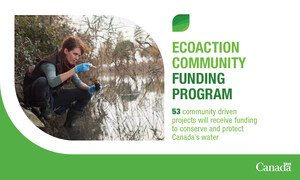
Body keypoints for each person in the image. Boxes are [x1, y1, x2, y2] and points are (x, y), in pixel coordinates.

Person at [23, 36, 101, 128]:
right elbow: (52, 82)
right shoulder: (49, 63)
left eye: (78, 55)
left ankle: (69, 125)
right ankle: (42, 109)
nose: (77, 58)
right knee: (42, 81)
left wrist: (91, 88)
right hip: (36, 97)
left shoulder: (68, 64)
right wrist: (75, 69)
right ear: (66, 51)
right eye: (75, 54)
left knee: (86, 93)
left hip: (51, 98)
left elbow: (78, 83)